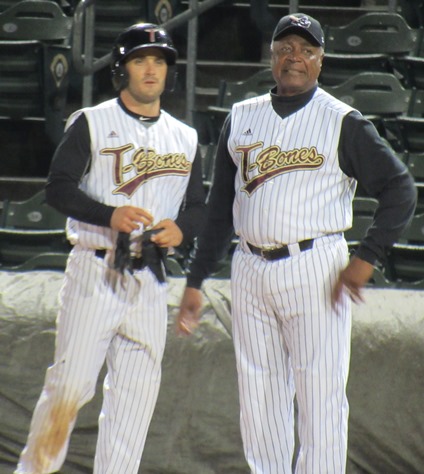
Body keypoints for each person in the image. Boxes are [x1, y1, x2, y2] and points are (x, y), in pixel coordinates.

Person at [177, 12, 417, 474]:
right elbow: (219, 210)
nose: (295, 57)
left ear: (320, 62)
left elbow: (400, 191)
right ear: (272, 56)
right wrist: (195, 278)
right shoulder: (241, 117)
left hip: (316, 267)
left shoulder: (342, 121)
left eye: (306, 50)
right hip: (248, 267)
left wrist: (367, 256)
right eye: (286, 48)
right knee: (259, 400)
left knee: (320, 400)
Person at [15, 22, 205, 474]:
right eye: (141, 60)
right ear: (122, 69)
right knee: (70, 389)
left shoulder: (185, 137)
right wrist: (108, 215)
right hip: (95, 271)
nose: (151, 69)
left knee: (134, 404)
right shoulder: (92, 122)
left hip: (151, 281)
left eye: (159, 61)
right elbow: (58, 188)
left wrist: (182, 230)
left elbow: (197, 208)